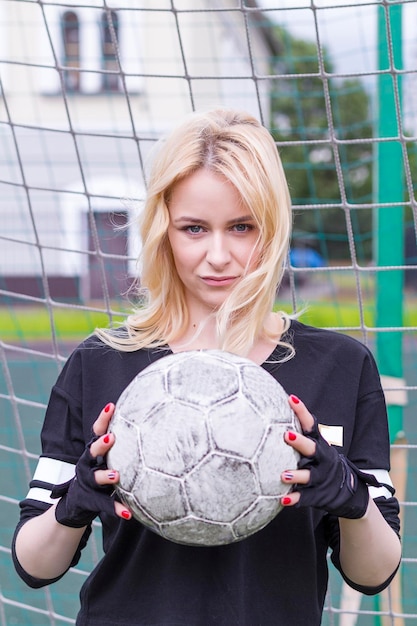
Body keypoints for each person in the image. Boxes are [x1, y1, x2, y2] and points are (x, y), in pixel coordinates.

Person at [12, 108, 401, 626]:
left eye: (242, 227)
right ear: (162, 231)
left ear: (274, 227)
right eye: (194, 228)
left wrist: (350, 495)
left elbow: (373, 572)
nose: (218, 255)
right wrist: (75, 502)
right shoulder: (101, 363)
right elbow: (35, 565)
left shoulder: (339, 366)